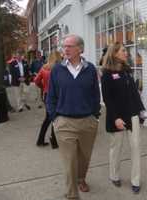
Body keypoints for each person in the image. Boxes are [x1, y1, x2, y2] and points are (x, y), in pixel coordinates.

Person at [46, 34, 101, 199]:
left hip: (87, 122)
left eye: (70, 46)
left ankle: (81, 178)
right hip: (64, 123)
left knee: (84, 157)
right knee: (69, 161)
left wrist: (95, 115)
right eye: (64, 46)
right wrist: (54, 118)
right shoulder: (57, 70)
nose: (66, 49)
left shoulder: (90, 69)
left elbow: (95, 95)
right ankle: (72, 194)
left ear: (80, 49)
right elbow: (51, 97)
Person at [101, 42, 147, 194]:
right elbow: (108, 99)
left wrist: (142, 109)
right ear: (114, 53)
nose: (126, 53)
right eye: (123, 51)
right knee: (116, 148)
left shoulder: (127, 70)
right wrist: (115, 118)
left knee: (136, 148)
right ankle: (114, 175)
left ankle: (135, 180)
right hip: (118, 117)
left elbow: (134, 93)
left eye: (125, 51)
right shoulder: (107, 73)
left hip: (132, 114)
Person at [34, 51, 62, 148]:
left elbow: (36, 80)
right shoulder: (59, 69)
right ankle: (53, 140)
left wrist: (43, 87)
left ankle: (40, 139)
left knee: (48, 118)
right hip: (57, 95)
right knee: (55, 117)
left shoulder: (44, 68)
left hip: (47, 95)